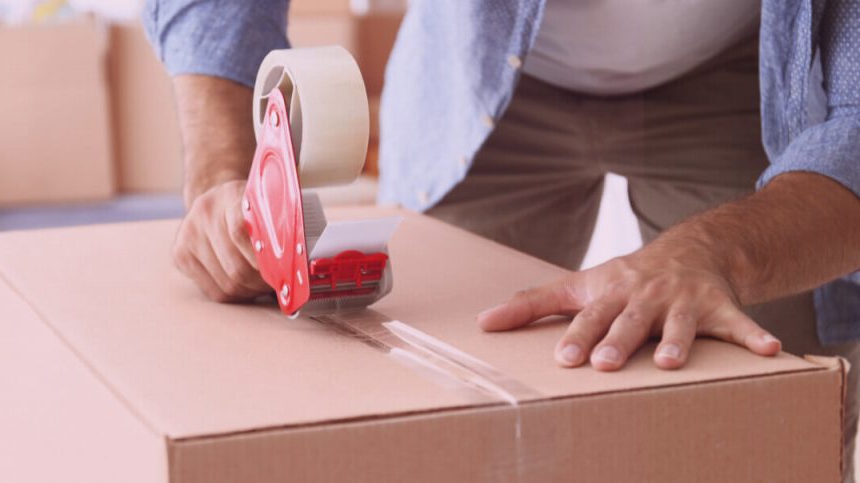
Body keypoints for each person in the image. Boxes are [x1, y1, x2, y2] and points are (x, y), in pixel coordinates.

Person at [143, 1, 860, 479]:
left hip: (743, 71)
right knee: (417, 389)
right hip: (483, 62)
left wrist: (722, 252)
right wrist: (224, 170)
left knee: (764, 412)